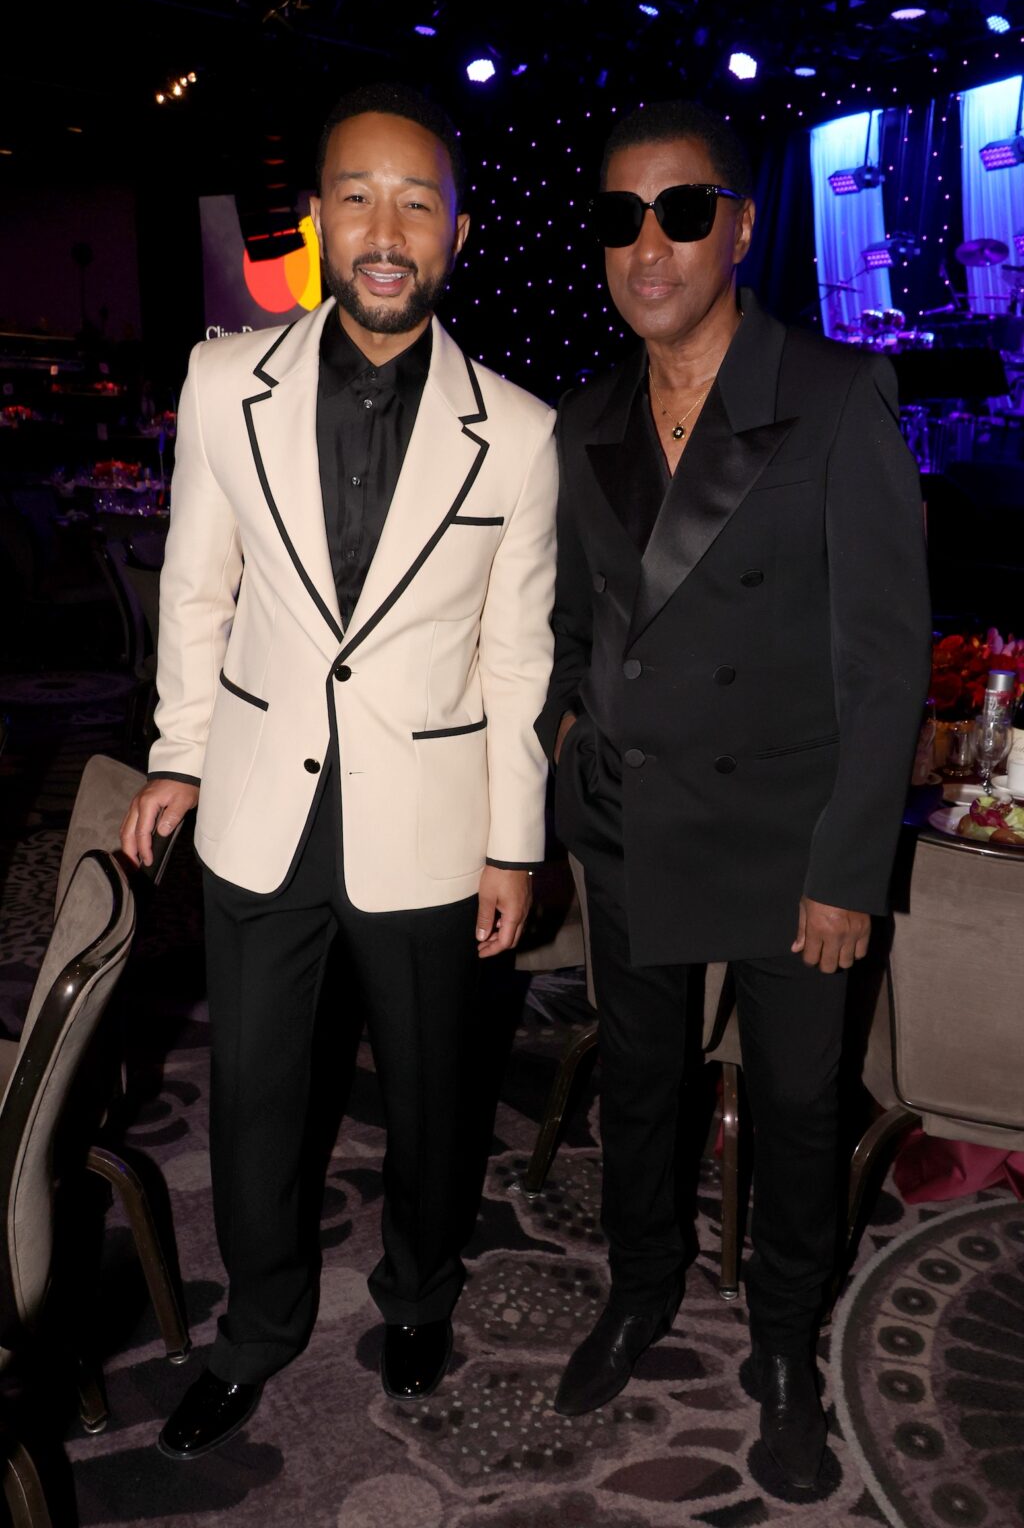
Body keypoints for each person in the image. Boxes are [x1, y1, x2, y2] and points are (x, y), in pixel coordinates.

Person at [121, 82, 557, 1459]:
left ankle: (420, 1292)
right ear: (316, 218)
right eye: (358, 195)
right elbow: (196, 590)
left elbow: (518, 660)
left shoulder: (522, 434)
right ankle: (254, 1332)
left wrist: (514, 842)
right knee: (256, 1097)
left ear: (459, 233)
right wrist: (178, 758)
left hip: (431, 822)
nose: (385, 227)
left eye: (416, 200)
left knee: (432, 1094)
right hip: (262, 805)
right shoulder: (218, 381)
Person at [536, 99, 930, 1490]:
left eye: (683, 211)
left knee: (797, 1108)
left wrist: (844, 870)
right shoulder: (587, 415)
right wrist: (570, 727)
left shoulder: (830, 397)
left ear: (744, 227)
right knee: (637, 1091)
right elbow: (573, 626)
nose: (649, 246)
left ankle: (778, 1343)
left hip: (788, 843)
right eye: (619, 218)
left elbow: (886, 669)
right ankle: (639, 1289)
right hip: (634, 824)